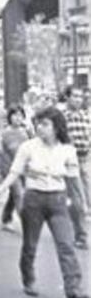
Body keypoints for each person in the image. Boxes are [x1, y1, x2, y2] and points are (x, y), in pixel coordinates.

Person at [0, 107, 89, 298]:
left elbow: (74, 180)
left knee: (66, 245)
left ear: (56, 127)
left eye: (45, 124)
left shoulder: (67, 150)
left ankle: (74, 289)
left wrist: (82, 205)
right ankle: (28, 277)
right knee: (30, 244)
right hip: (33, 199)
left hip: (58, 200)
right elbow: (15, 171)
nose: (40, 128)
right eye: (38, 123)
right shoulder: (28, 147)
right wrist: (0, 189)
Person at [64, 85, 90, 250]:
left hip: (85, 158)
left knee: (82, 195)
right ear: (67, 98)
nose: (78, 100)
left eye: (80, 97)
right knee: (76, 198)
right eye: (74, 96)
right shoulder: (62, 116)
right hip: (68, 160)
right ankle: (80, 235)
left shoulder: (86, 116)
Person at [0, 105, 30, 232]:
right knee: (18, 194)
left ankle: (6, 218)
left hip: (24, 168)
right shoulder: (4, 133)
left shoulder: (25, 132)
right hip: (10, 169)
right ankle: (27, 224)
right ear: (9, 117)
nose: (18, 118)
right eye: (15, 115)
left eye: (20, 115)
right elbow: (1, 153)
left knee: (14, 195)